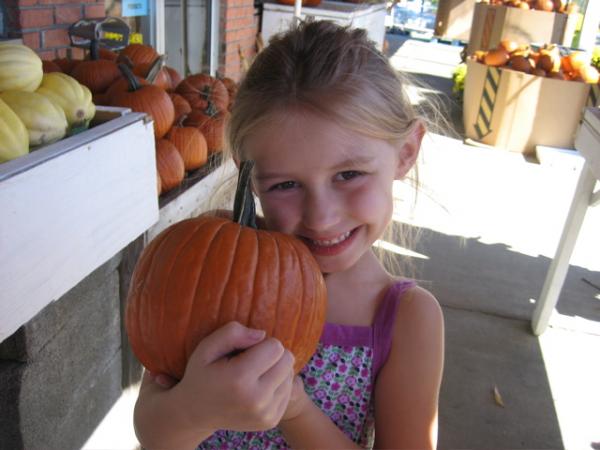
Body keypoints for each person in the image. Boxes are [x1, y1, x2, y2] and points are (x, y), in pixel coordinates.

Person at [133, 20, 444, 450]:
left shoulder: (406, 319)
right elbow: (152, 431)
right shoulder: (210, 264)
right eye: (285, 185)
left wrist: (294, 409)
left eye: (349, 174)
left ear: (405, 153)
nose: (321, 216)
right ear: (250, 177)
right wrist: (193, 409)